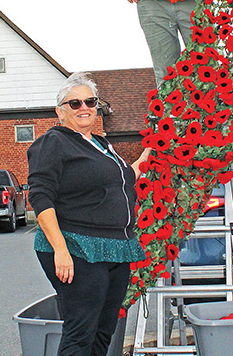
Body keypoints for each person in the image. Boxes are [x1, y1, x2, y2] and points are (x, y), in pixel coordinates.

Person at [28, 72, 150, 356]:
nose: (84, 108)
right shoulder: (54, 142)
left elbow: (118, 180)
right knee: (81, 331)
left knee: (103, 330)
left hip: (115, 250)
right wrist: (60, 249)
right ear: (60, 111)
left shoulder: (100, 144)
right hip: (77, 248)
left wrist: (143, 160)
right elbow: (40, 195)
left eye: (90, 101)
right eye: (75, 103)